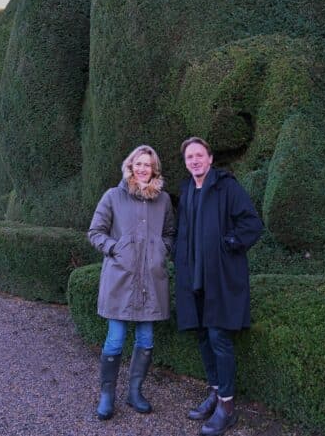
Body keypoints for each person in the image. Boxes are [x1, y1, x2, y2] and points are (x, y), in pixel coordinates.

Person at [174, 137, 263, 436]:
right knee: (201, 333)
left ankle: (226, 405)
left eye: (200, 155)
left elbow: (251, 223)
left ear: (210, 159)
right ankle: (214, 392)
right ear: (186, 163)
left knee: (217, 336)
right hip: (193, 276)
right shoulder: (186, 189)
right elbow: (182, 231)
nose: (195, 161)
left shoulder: (227, 187)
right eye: (190, 157)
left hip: (220, 276)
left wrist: (229, 244)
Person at [87, 145, 175, 420]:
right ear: (130, 166)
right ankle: (107, 395)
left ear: (154, 169)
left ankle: (135, 392)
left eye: (147, 164)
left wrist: (162, 250)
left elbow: (170, 232)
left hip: (151, 279)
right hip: (120, 278)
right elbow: (95, 232)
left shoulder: (163, 200)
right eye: (138, 163)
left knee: (146, 339)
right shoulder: (114, 196)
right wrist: (115, 249)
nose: (142, 168)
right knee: (115, 340)